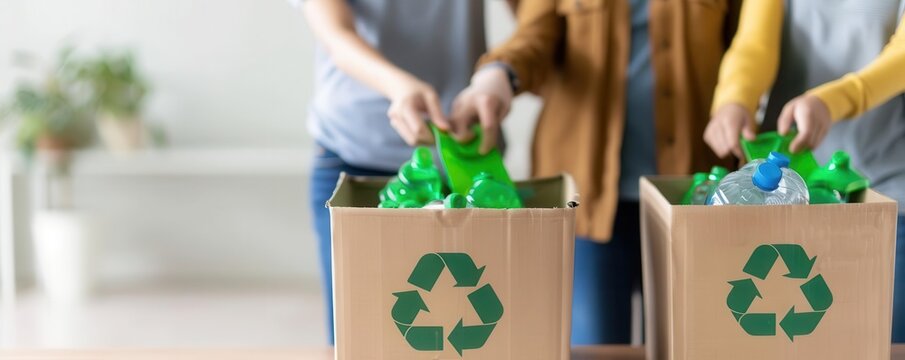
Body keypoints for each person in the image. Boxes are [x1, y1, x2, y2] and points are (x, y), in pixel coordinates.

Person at [449, 0, 738, 344]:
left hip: (694, 195)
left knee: (689, 343)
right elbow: (534, 34)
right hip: (586, 200)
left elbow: (747, 49)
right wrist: (496, 76)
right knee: (593, 344)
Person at [298, 0, 513, 343]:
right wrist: (398, 86)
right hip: (354, 151)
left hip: (467, 159)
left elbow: (540, 17)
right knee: (360, 336)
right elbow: (336, 33)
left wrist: (501, 73)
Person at [705, 0, 905, 341]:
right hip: (783, 193)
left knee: (882, 338)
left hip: (885, 185)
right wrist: (734, 100)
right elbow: (754, 43)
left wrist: (834, 101)